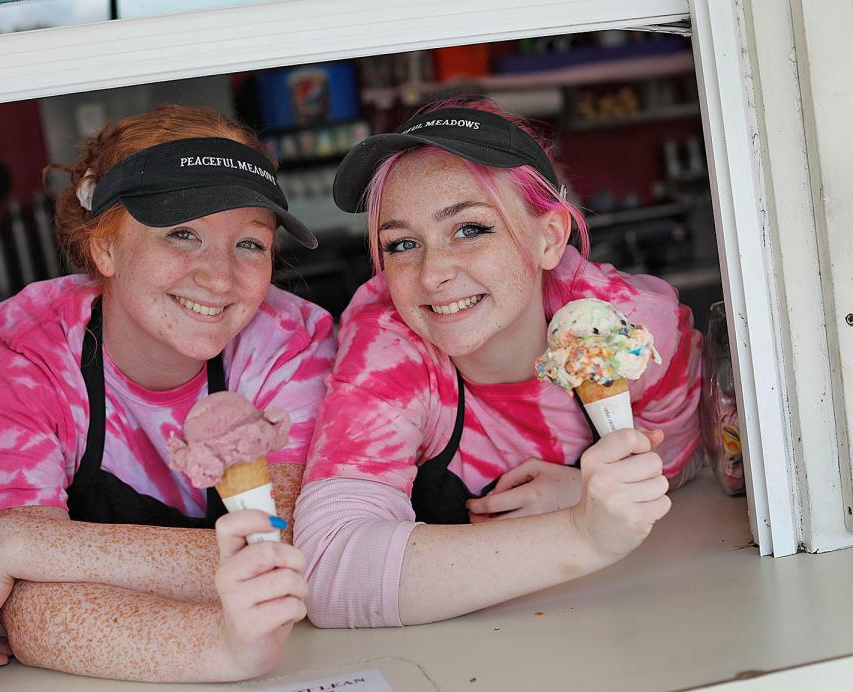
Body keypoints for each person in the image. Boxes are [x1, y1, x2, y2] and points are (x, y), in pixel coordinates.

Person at [0, 105, 335, 681]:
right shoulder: (18, 351)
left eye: (249, 243)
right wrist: (223, 646)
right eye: (182, 233)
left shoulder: (293, 340)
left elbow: (294, 556)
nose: (219, 277)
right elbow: (29, 605)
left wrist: (16, 545)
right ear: (104, 248)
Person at [294, 98, 703, 628]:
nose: (433, 273)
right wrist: (581, 529)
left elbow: (692, 456)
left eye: (470, 229)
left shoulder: (632, 331)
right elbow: (329, 571)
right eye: (401, 243)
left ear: (549, 238)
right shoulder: (391, 347)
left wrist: (585, 488)